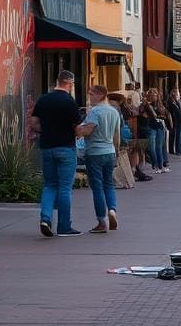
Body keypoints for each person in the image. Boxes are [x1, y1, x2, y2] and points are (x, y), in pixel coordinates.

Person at [31, 70, 82, 237]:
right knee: (65, 188)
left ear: (57, 81)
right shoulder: (69, 102)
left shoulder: (44, 99)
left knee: (49, 185)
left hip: (47, 147)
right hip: (66, 148)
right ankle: (64, 226)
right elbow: (76, 127)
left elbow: (34, 123)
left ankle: (45, 218)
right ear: (70, 83)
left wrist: (45, 132)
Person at [76, 85, 122, 233]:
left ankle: (102, 221)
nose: (90, 98)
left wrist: (78, 129)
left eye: (92, 95)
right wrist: (116, 151)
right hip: (109, 151)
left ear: (101, 95)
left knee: (97, 187)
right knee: (109, 184)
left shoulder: (95, 112)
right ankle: (113, 210)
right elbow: (116, 135)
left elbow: (88, 131)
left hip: (94, 152)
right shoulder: (114, 112)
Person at [140, 89, 169, 173]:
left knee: (159, 147)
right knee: (151, 148)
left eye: (154, 95)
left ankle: (160, 166)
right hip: (151, 127)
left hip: (159, 126)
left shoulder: (160, 104)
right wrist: (145, 105)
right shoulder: (145, 104)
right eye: (151, 95)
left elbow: (163, 115)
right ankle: (155, 165)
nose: (152, 97)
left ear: (157, 96)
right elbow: (141, 113)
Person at [167, 88, 181, 156]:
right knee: (173, 135)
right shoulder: (170, 102)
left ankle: (178, 150)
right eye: (176, 93)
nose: (178, 94)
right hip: (174, 121)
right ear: (173, 94)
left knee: (178, 136)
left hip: (178, 121)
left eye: (178, 93)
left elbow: (180, 111)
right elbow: (170, 113)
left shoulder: (177, 101)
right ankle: (173, 150)